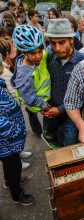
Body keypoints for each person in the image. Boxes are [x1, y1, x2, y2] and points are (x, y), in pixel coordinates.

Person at [42, 18, 84, 148]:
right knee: (53, 147)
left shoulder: (83, 62)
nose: (57, 48)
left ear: (71, 39)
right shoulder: (48, 57)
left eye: (61, 42)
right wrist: (41, 103)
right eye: (53, 43)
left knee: (70, 150)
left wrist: (60, 109)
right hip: (50, 113)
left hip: (72, 117)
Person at [0, 52, 35, 206]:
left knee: (9, 165)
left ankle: (8, 181)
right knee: (14, 165)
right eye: (1, 63)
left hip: (7, 143)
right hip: (6, 142)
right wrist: (14, 131)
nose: (4, 65)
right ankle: (17, 194)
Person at [11, 25, 51, 143]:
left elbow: (47, 52)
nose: (38, 56)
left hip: (45, 98)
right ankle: (39, 132)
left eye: (40, 51)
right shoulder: (24, 74)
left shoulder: (40, 55)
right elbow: (29, 97)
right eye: (33, 53)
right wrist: (42, 104)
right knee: (34, 117)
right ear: (24, 53)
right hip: (36, 103)